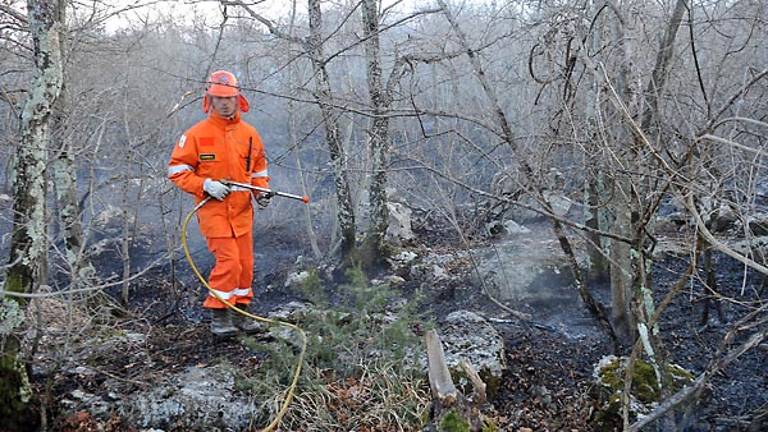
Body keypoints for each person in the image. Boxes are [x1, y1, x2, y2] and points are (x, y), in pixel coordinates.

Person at [167, 70, 271, 336]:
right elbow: (177, 171)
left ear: (238, 99)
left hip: (242, 212)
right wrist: (204, 185)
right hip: (213, 211)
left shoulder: (249, 134)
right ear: (210, 100)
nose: (225, 103)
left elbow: (258, 169)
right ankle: (220, 317)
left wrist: (261, 193)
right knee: (229, 262)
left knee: (245, 264)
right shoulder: (196, 135)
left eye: (229, 98)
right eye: (219, 98)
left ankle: (241, 313)